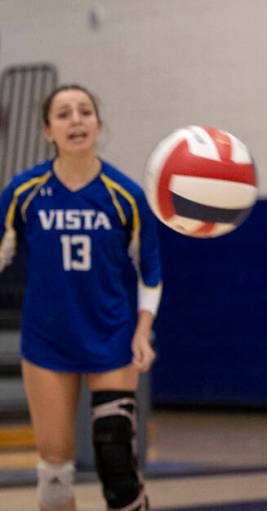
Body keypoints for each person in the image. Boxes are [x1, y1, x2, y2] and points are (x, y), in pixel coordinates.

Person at [1, 84, 162, 511]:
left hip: (111, 337)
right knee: (54, 473)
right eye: (64, 113)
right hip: (48, 339)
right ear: (48, 131)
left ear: (98, 124)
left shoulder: (125, 194)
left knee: (116, 464)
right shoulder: (24, 191)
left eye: (85, 111)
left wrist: (143, 332)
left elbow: (151, 272)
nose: (76, 119)